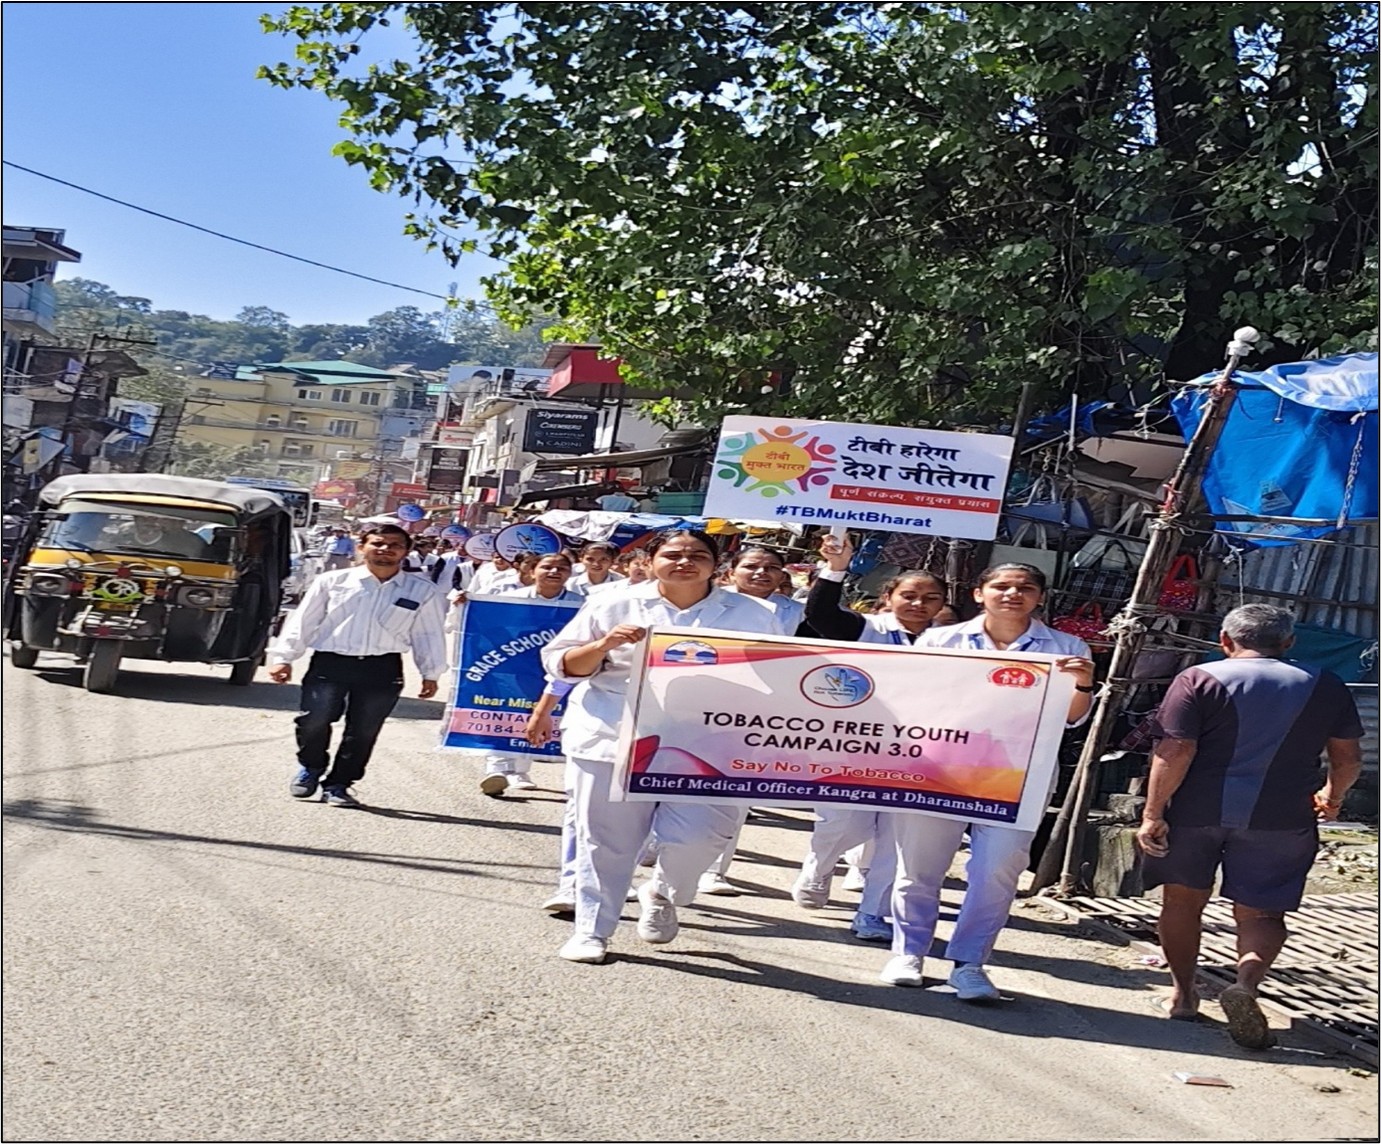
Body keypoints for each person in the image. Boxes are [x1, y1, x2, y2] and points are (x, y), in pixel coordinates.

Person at [541, 528, 787, 963]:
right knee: (605, 841)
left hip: (709, 743)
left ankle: (663, 891)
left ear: (717, 564)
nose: (684, 562)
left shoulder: (755, 615)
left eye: (697, 555)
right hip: (614, 735)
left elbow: (777, 677)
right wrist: (604, 644)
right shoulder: (612, 603)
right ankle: (592, 930)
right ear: (651, 561)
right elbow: (561, 664)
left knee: (702, 836)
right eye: (673, 554)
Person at [1136, 603, 1362, 1047]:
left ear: (1224, 640)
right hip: (1282, 817)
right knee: (1263, 911)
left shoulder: (1198, 678)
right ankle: (1245, 984)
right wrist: (1332, 798)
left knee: (1181, 902)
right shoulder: (1325, 684)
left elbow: (1175, 751)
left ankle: (1183, 996)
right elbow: (1348, 759)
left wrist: (1153, 812)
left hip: (1195, 812)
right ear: (1289, 642)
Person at [882, 561, 1096, 1000]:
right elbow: (912, 700)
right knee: (919, 867)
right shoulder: (941, 640)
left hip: (1019, 777)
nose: (1013, 594)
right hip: (939, 768)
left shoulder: (1067, 648)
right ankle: (908, 952)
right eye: (1002, 586)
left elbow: (1073, 720)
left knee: (996, 872)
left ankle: (970, 963)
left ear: (1040, 598)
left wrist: (1083, 686)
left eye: (1025, 588)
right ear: (979, 593)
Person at [795, 534, 950, 941]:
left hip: (919, 752)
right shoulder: (866, 628)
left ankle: (872, 914)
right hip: (853, 746)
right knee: (841, 824)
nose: (919, 604)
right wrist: (835, 568)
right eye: (909, 595)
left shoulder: (952, 643)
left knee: (897, 839)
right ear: (889, 596)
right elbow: (820, 614)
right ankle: (820, 866)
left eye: (931, 598)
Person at [268, 523, 448, 808]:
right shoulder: (333, 581)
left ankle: (339, 784)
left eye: (395, 545)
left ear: (406, 551)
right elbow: (304, 621)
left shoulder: (421, 590)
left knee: (363, 729)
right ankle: (311, 767)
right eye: (378, 543)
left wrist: (431, 673)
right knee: (313, 720)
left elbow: (428, 633)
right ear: (361, 547)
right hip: (331, 662)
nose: (385, 549)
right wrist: (284, 658)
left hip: (382, 667)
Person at [480, 552, 586, 797]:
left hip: (557, 669)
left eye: (561, 568)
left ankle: (520, 771)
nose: (554, 572)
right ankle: (497, 769)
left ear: (570, 573)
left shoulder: (582, 604)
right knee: (508, 711)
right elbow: (485, 625)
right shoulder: (509, 600)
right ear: (532, 571)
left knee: (540, 714)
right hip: (514, 666)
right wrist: (464, 604)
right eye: (547, 567)